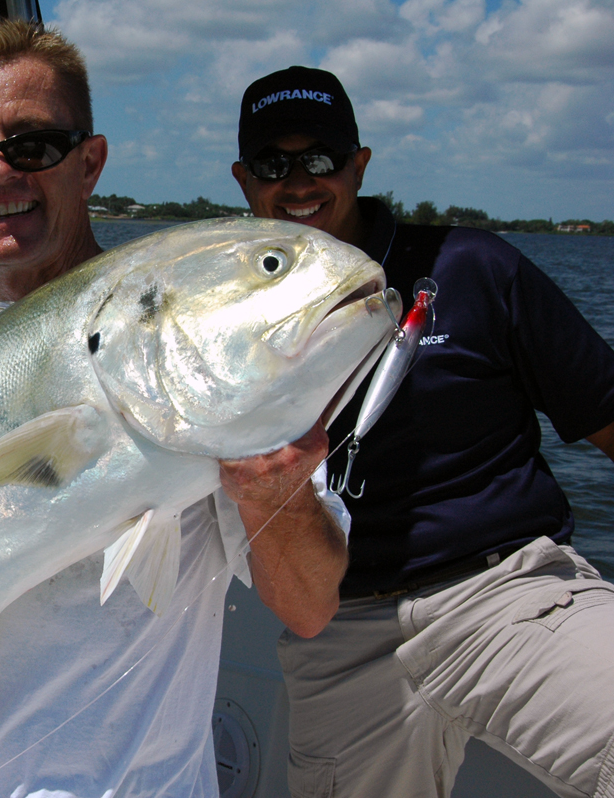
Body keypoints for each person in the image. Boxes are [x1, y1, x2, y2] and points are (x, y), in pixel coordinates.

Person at [0, 21, 350, 798]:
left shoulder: (192, 345)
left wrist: (280, 493)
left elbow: (307, 606)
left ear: (89, 162)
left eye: (31, 145)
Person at [231, 65, 614, 798]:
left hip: (507, 596)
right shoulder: (225, 301)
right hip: (339, 631)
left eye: (321, 159)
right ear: (245, 179)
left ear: (359, 163)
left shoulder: (472, 266)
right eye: (275, 165)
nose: (301, 182)